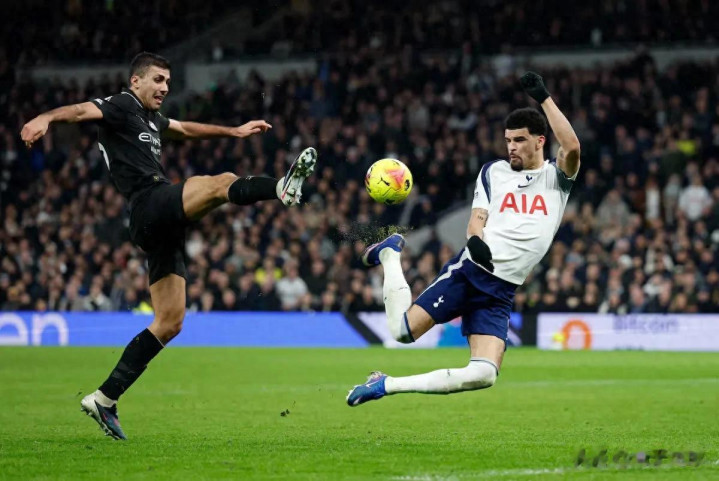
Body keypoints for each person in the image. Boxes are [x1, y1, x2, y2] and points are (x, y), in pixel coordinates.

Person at [20, 52, 318, 439]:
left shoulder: (151, 119)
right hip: (147, 204)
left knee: (170, 322)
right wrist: (44, 118)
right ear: (136, 81)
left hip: (159, 224)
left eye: (168, 82)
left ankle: (104, 398)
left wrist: (232, 132)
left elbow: (184, 129)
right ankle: (280, 187)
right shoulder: (121, 104)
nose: (164, 88)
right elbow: (79, 112)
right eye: (158, 80)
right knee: (219, 182)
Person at [346, 72, 580, 406]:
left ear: (540, 141)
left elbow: (572, 146)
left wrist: (544, 98)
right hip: (470, 274)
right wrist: (474, 241)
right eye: (508, 140)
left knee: (484, 374)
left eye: (519, 140)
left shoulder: (556, 178)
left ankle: (385, 384)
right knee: (402, 332)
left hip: (502, 290)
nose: (511, 147)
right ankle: (390, 254)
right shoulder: (494, 172)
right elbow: (477, 219)